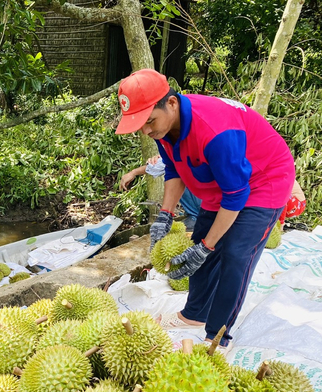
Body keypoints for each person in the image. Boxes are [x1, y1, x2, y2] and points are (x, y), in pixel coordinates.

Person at [115, 69, 295, 347]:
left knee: (235, 254)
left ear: (171, 103)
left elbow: (236, 195)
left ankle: (217, 337)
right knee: (198, 244)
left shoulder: (215, 131)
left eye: (149, 120)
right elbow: (174, 168)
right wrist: (166, 214)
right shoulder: (164, 129)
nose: (146, 130)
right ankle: (194, 314)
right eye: (140, 124)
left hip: (264, 180)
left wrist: (208, 247)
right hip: (221, 181)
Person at [120, 157, 201, 231]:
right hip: (194, 216)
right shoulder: (176, 154)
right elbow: (158, 166)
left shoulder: (206, 149)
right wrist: (133, 173)